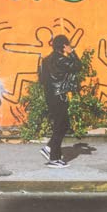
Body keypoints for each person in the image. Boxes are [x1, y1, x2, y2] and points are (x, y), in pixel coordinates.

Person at [38, 34, 82, 168]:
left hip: (50, 96)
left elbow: (41, 79)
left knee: (64, 124)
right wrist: (72, 52)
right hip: (59, 96)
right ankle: (54, 159)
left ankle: (49, 148)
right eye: (68, 44)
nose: (69, 46)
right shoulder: (62, 59)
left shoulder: (46, 60)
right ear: (64, 46)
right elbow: (78, 66)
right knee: (59, 126)